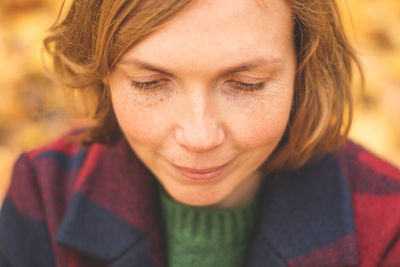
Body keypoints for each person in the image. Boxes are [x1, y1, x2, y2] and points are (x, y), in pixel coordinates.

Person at [1, 0, 400, 266]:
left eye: (247, 83)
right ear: (102, 73)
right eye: (150, 82)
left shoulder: (387, 224)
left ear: (304, 66)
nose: (199, 136)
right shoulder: (42, 192)